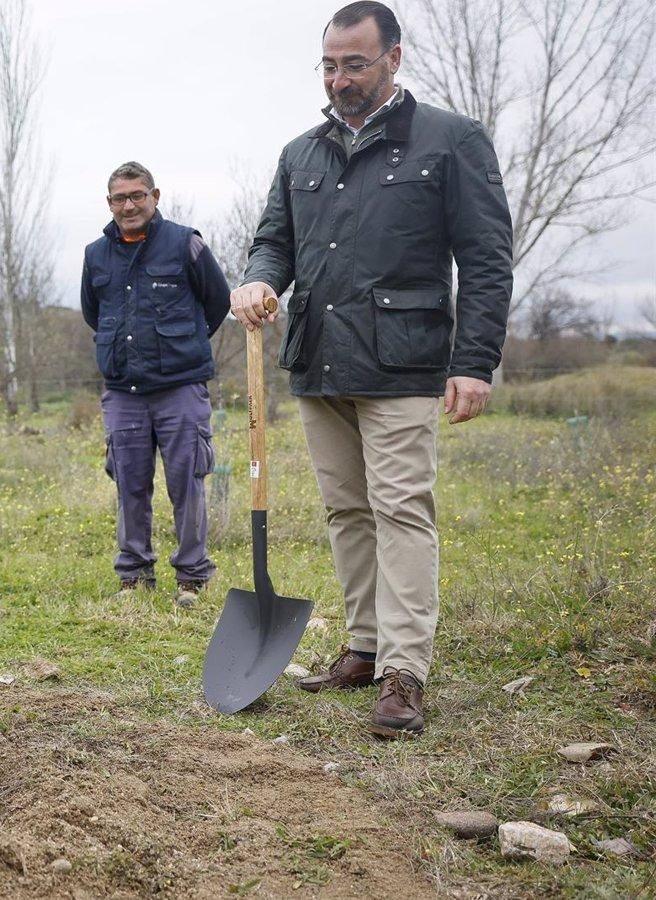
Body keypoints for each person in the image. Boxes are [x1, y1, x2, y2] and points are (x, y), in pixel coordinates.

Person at [230, 2, 512, 737]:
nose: (339, 78)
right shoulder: (301, 153)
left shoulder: (451, 141)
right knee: (346, 511)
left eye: (354, 63)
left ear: (393, 58)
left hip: (405, 364)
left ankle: (404, 672)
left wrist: (474, 361)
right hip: (319, 361)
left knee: (400, 511)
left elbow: (485, 260)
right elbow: (274, 243)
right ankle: (363, 646)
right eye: (329, 64)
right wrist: (259, 280)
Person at [80, 162, 230, 609]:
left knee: (187, 481)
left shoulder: (186, 244)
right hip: (123, 392)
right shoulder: (95, 254)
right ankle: (134, 576)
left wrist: (182, 344)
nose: (129, 205)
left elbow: (218, 302)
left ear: (155, 196)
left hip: (180, 388)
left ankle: (192, 576)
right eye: (119, 198)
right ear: (109, 203)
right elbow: (93, 312)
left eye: (137, 196)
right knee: (129, 482)